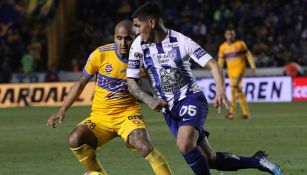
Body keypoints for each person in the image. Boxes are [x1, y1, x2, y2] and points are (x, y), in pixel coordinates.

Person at [126, 2, 281, 175]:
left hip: (190, 97)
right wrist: (149, 99)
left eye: (138, 26)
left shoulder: (181, 41)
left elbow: (214, 65)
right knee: (210, 158)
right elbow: (131, 82)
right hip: (168, 109)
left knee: (184, 144)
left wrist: (221, 90)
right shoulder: (138, 46)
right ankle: (257, 161)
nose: (136, 31)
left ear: (151, 23)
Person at [47, 20, 173, 175]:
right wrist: (62, 110)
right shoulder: (100, 54)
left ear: (136, 38)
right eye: (119, 38)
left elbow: (159, 82)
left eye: (128, 38)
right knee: (75, 139)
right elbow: (81, 83)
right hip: (100, 117)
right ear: (114, 38)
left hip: (128, 114)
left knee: (145, 146)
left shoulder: (143, 57)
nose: (123, 43)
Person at [218, 29, 256, 119]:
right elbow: (221, 60)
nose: (230, 36)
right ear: (225, 36)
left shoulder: (240, 44)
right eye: (228, 34)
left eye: (231, 34)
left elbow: (248, 55)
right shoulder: (222, 47)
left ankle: (231, 112)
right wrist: (219, 71)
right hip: (231, 73)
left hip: (240, 70)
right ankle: (246, 113)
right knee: (239, 92)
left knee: (233, 90)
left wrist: (252, 66)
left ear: (234, 35)